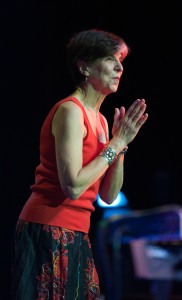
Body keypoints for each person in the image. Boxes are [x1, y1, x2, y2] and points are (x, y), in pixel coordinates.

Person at [11, 29, 148, 299]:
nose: (119, 67)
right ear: (84, 66)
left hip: (77, 232)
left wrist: (120, 147)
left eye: (121, 60)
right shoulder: (70, 111)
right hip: (48, 227)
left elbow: (108, 197)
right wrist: (114, 145)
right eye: (110, 59)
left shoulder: (102, 120)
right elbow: (72, 186)